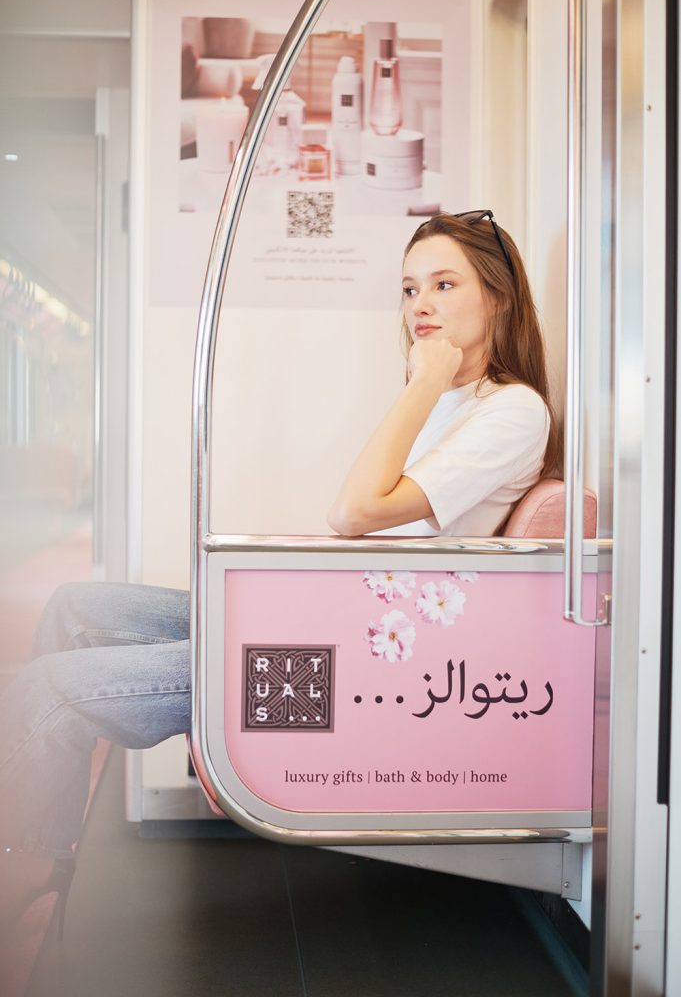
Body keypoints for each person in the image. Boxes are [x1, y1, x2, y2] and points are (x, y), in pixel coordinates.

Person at [0, 210, 557, 936]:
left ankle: (34, 862)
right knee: (75, 606)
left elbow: (353, 511)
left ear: (498, 298)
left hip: (360, 656)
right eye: (409, 288)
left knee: (44, 693)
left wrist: (420, 385)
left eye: (443, 284)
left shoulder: (512, 411)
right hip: (327, 611)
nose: (419, 305)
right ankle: (44, 830)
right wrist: (427, 387)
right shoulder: (446, 398)